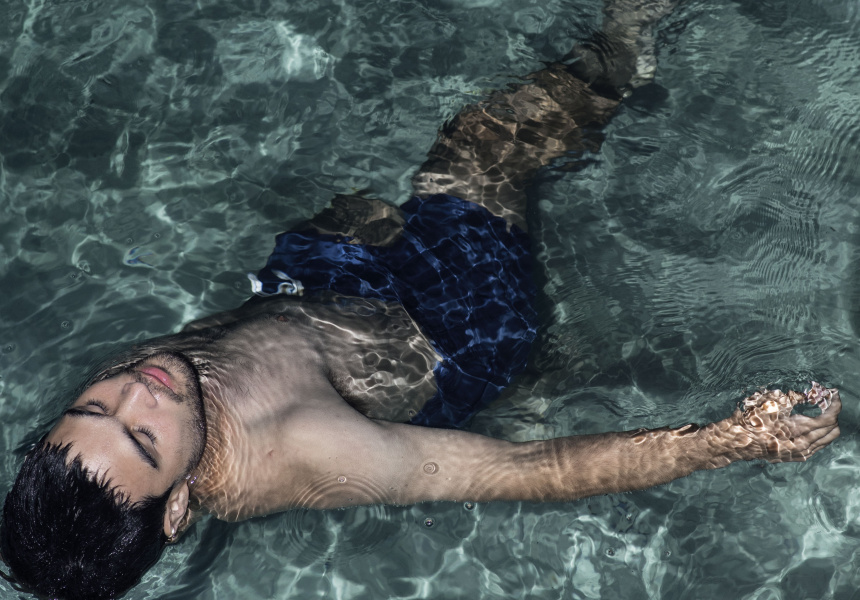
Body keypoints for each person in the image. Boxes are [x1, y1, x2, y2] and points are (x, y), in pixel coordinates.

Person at [0, 2, 842, 599]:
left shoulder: (142, 403)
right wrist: (729, 442)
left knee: (354, 212)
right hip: (449, 328)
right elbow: (526, 473)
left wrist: (311, 287)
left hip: (318, 295)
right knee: (483, 144)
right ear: (180, 503)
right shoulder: (311, 448)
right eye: (142, 437)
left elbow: (170, 385)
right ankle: (632, 38)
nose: (135, 389)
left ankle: (535, 369)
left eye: (93, 406)